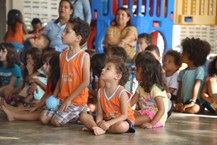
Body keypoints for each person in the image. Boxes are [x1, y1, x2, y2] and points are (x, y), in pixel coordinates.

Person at [40, 17, 90, 127]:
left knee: (55, 121)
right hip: (61, 98)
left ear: (78, 38)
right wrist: (54, 95)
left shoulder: (84, 56)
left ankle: (80, 109)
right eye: (64, 31)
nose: (62, 34)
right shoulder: (62, 55)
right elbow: (61, 79)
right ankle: (72, 114)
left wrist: (69, 100)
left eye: (67, 31)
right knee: (44, 119)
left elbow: (86, 82)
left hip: (76, 100)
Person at [80, 57, 135, 135]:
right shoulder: (100, 92)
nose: (103, 69)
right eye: (104, 67)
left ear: (117, 76)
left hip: (122, 121)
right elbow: (99, 113)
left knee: (122, 127)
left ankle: (96, 129)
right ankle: (97, 128)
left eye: (107, 69)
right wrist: (99, 122)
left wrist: (108, 124)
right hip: (106, 120)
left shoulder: (122, 93)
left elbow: (124, 115)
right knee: (83, 116)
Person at [0, 52, 60, 121]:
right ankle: (13, 112)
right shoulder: (50, 78)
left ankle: (14, 115)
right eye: (44, 63)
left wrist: (39, 105)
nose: (43, 66)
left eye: (47, 64)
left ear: (55, 67)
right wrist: (37, 106)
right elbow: (47, 93)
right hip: (48, 102)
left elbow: (51, 95)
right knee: (35, 108)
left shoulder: (56, 79)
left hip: (56, 104)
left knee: (40, 111)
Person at [130, 51, 169, 128]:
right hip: (144, 112)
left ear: (146, 74)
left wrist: (152, 124)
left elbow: (161, 110)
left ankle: (125, 123)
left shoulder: (155, 89)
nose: (135, 72)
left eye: (137, 70)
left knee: (131, 120)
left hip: (155, 117)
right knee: (129, 113)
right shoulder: (140, 87)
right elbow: (130, 103)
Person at [174, 37, 211, 114]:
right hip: (184, 100)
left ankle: (188, 108)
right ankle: (182, 108)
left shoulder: (199, 70)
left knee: (194, 109)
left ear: (192, 56)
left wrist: (193, 101)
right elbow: (180, 88)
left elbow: (196, 86)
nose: (181, 54)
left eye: (183, 53)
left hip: (195, 101)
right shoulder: (182, 72)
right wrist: (179, 100)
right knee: (172, 105)